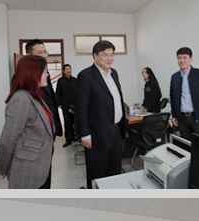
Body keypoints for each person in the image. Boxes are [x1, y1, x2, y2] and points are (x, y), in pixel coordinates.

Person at [75, 40, 128, 188]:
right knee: (97, 174)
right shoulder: (86, 76)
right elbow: (81, 108)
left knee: (115, 172)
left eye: (112, 54)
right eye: (105, 55)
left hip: (116, 132)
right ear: (95, 56)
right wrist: (85, 134)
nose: (109, 58)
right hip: (97, 134)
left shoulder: (114, 73)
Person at [0, 55, 54, 189]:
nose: (47, 74)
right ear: (32, 73)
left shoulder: (34, 95)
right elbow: (7, 140)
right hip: (28, 168)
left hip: (41, 164)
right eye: (44, 71)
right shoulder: (21, 99)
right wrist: (2, 167)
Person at [169, 47, 199, 141]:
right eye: (179, 58)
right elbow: (173, 97)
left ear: (191, 59)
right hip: (182, 119)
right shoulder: (175, 77)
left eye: (185, 57)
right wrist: (174, 115)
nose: (182, 60)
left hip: (197, 117)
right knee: (186, 145)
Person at [22, 39, 63, 138]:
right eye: (39, 53)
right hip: (35, 132)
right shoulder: (23, 77)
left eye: (45, 52)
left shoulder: (45, 74)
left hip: (49, 128)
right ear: (29, 56)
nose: (44, 56)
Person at [55, 64, 78, 147]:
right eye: (67, 69)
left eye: (70, 69)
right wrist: (59, 103)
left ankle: (74, 137)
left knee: (74, 122)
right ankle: (68, 139)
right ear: (64, 71)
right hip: (65, 105)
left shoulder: (75, 80)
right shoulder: (60, 81)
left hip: (74, 105)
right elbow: (58, 92)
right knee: (67, 122)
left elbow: (78, 93)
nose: (69, 70)